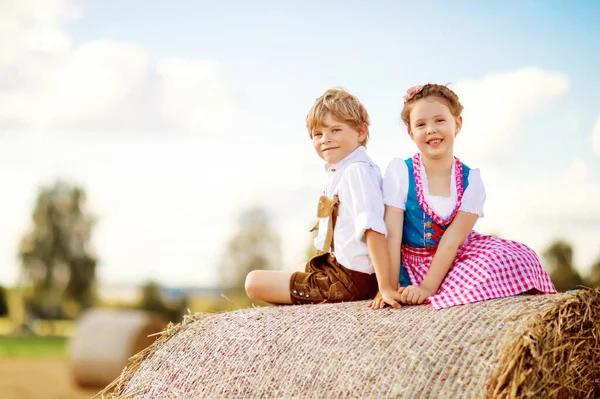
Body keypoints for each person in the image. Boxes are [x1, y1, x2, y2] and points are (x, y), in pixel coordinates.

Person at [369, 83, 556, 310]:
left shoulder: (471, 182)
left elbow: (452, 242)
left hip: (457, 258)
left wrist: (428, 288)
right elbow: (392, 236)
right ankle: (449, 292)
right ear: (410, 132)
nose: (431, 130)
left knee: (524, 257)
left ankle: (446, 291)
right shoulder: (400, 172)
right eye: (421, 124)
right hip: (413, 264)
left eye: (439, 120)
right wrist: (387, 287)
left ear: (457, 123)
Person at [245, 88, 404, 307]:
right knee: (290, 271)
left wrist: (385, 287)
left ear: (361, 132)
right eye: (318, 134)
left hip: (349, 279)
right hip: (335, 265)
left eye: (335, 130)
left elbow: (373, 228)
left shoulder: (356, 171)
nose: (325, 139)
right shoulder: (340, 171)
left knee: (253, 282)